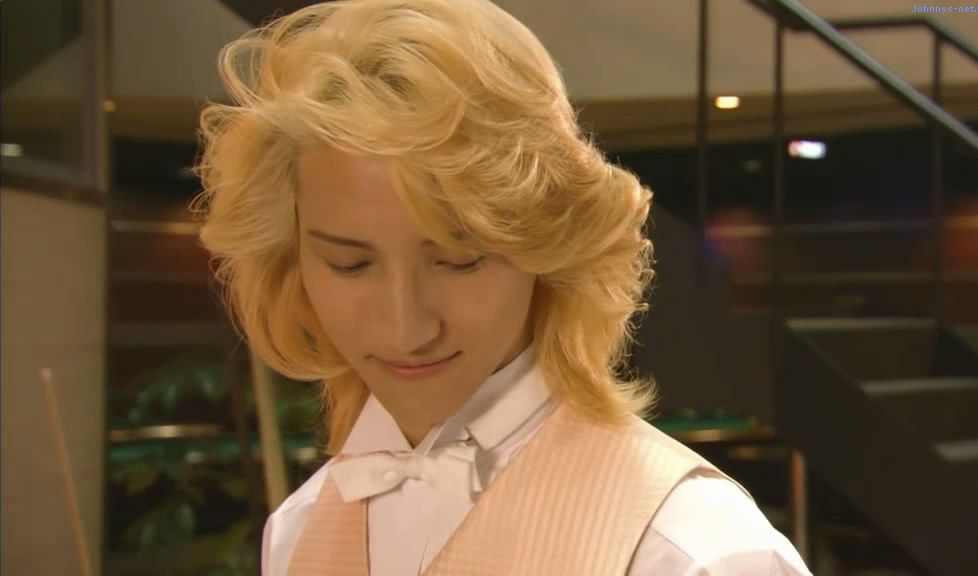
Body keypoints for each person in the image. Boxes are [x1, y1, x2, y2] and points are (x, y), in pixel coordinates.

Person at [193, 0, 813, 574]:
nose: (406, 328)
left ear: (549, 250)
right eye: (350, 264)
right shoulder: (296, 530)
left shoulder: (695, 552)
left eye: (459, 260)